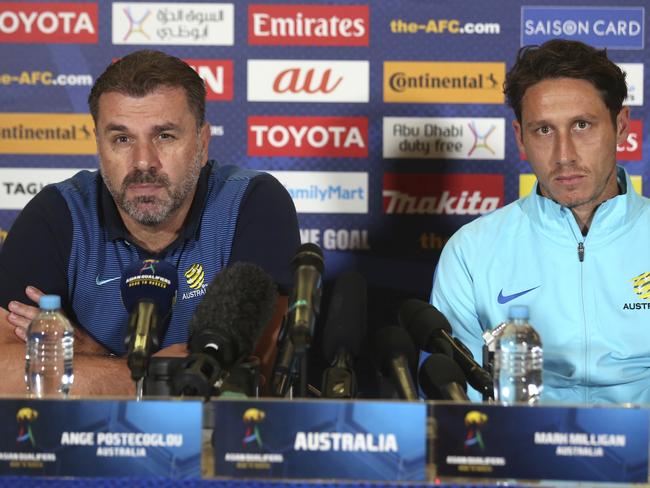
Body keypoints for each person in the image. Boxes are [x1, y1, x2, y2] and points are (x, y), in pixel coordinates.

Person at [0, 50, 300, 396]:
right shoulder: (58, 214)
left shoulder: (252, 203)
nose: (144, 161)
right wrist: (148, 377)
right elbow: (6, 373)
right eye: (122, 139)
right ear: (99, 144)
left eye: (164, 136)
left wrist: (91, 355)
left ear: (202, 145)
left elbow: (248, 376)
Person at [430, 39, 650, 404]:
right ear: (519, 137)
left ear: (621, 125)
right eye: (544, 130)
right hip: (522, 454)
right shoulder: (472, 251)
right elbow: (455, 403)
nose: (565, 155)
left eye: (582, 125)